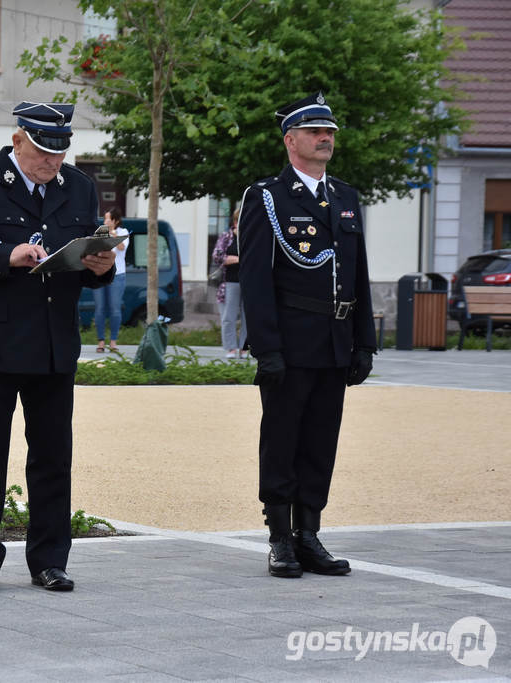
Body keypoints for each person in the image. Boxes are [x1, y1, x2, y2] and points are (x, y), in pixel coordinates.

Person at [0, 101, 115, 594]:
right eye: (41, 153)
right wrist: (3, 256)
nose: (52, 163)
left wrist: (101, 267)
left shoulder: (77, 186)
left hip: (54, 344)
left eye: (59, 153)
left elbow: (86, 254)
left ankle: (50, 559)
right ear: (17, 141)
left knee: (53, 458)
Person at [237, 92, 375, 579]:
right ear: (290, 139)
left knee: (320, 440)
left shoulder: (345, 198)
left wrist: (365, 341)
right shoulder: (268, 198)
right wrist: (267, 347)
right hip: (291, 342)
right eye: (316, 132)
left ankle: (309, 533)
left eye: (330, 132)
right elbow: (255, 280)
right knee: (282, 438)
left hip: (335, 341)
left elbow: (357, 273)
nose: (326, 139)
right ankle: (279, 537)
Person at [211, 208, 247, 359]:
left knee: (249, 318)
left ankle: (245, 348)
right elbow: (218, 256)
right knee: (228, 317)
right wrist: (240, 259)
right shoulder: (226, 236)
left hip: (248, 283)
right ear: (235, 222)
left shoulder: (251, 236)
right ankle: (231, 348)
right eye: (239, 221)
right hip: (230, 282)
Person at [93, 207, 129, 353]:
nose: (105, 221)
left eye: (108, 218)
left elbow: (121, 248)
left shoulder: (123, 232)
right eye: (105, 218)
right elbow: (94, 249)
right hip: (100, 274)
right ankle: (101, 342)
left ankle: (113, 341)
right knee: (100, 308)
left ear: (116, 220)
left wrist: (113, 234)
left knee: (115, 309)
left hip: (118, 275)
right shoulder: (101, 231)